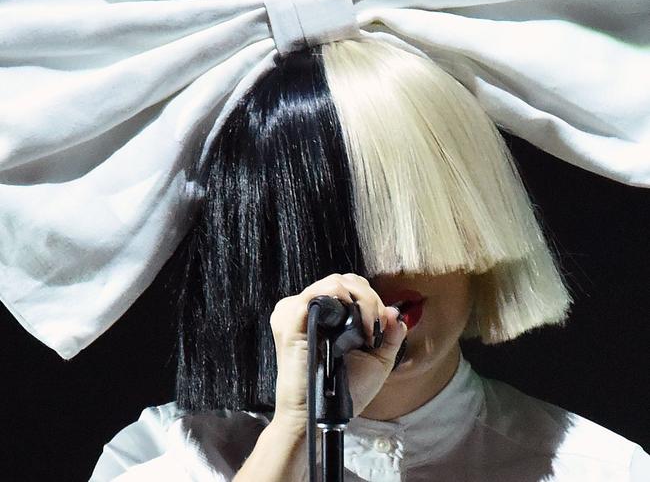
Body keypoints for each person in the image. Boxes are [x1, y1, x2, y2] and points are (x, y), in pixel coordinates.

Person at [89, 38, 650, 481]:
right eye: (334, 226)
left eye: (412, 214)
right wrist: (296, 431)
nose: (382, 265)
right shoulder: (162, 462)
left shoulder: (605, 471)